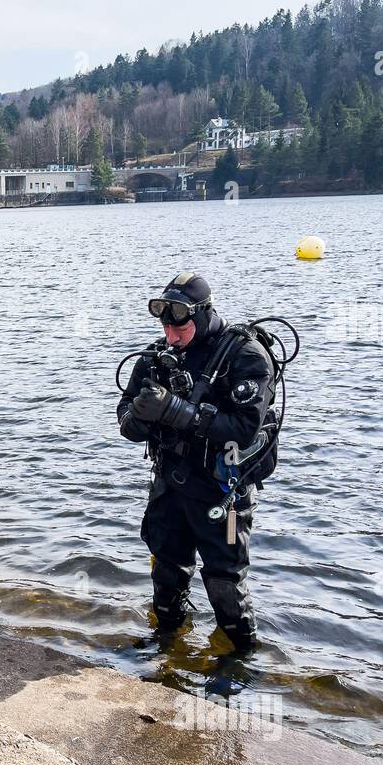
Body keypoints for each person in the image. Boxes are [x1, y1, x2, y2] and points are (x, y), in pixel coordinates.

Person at [117, 272, 275, 654]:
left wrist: (174, 410)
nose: (171, 335)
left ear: (203, 314)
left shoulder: (244, 355)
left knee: (225, 582)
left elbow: (244, 426)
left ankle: (240, 661)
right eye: (165, 326)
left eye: (180, 326)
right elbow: (126, 425)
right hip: (170, 484)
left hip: (224, 492)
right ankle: (167, 643)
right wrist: (140, 413)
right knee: (166, 573)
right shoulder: (158, 358)